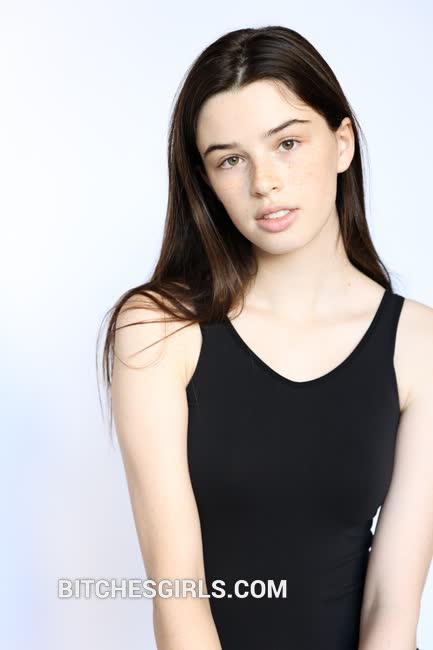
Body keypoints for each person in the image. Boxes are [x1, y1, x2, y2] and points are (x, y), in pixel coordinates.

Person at [97, 26, 432, 650]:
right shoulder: (157, 329)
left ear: (342, 143)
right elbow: (177, 594)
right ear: (206, 179)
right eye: (230, 159)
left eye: (288, 143)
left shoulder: (420, 343)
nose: (264, 182)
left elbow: (392, 605)